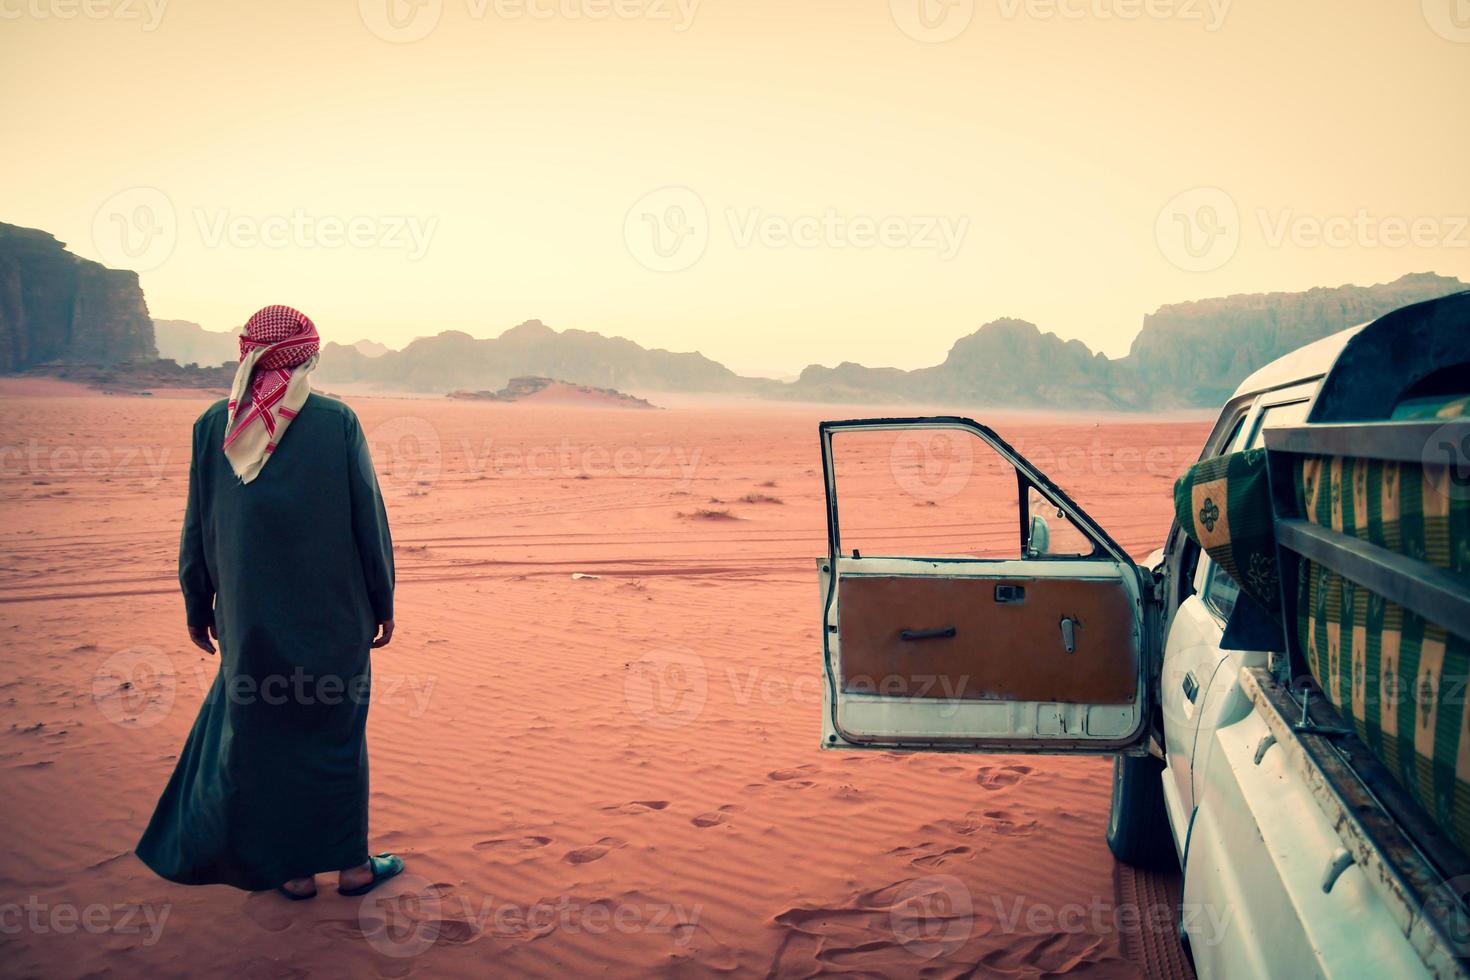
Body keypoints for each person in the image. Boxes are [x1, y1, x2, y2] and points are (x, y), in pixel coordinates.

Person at [136, 304, 402, 900]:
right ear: (307, 355)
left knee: (266, 742)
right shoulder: (336, 421)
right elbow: (369, 520)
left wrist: (197, 604)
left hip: (248, 622)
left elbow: (198, 526)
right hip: (333, 620)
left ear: (247, 353)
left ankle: (293, 871)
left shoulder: (214, 426)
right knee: (335, 739)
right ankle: (354, 867)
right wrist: (383, 602)